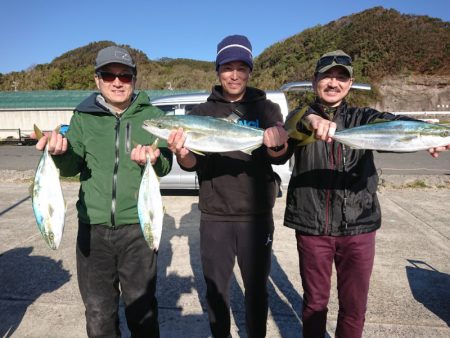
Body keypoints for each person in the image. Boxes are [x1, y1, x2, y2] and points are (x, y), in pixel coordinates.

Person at [277, 50, 450, 338]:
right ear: (314, 80)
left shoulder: (364, 117)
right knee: (315, 304)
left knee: (354, 306)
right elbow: (293, 125)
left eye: (341, 77)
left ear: (350, 83)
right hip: (311, 226)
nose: (334, 83)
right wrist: (312, 120)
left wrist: (427, 133)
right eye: (327, 76)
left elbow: (393, 123)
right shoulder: (299, 116)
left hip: (359, 225)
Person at [34, 45, 172, 338]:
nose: (117, 81)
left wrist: (156, 158)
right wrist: (60, 152)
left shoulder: (153, 115)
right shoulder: (83, 116)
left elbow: (165, 167)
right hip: (93, 230)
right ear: (97, 79)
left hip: (138, 228)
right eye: (108, 75)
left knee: (142, 311)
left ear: (135, 78)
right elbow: (72, 167)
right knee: (98, 314)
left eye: (125, 75)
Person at [167, 34, 288, 338]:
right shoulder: (201, 114)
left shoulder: (266, 109)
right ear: (217, 71)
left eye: (241, 68)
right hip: (215, 215)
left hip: (256, 216)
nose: (234, 75)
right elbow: (194, 163)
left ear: (250, 70)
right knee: (216, 290)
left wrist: (276, 145)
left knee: (257, 290)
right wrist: (182, 153)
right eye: (227, 68)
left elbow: (278, 156)